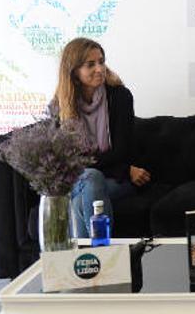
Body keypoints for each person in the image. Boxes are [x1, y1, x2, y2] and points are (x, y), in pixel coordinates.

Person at [51, 37, 152, 238]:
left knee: (87, 186)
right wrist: (124, 168)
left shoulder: (119, 96)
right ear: (74, 72)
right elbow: (68, 160)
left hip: (116, 179)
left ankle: (85, 258)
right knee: (89, 180)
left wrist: (120, 168)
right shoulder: (59, 106)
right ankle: (100, 256)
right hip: (93, 176)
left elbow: (121, 151)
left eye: (101, 61)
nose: (100, 69)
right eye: (91, 64)